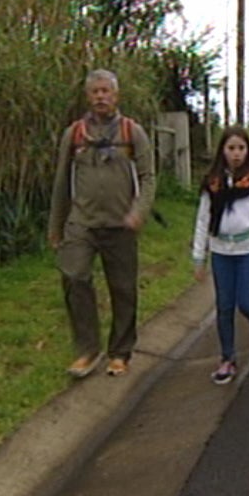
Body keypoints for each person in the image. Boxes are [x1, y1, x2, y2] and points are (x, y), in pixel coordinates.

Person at [48, 69, 157, 378]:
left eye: (105, 91)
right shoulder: (75, 134)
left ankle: (120, 352)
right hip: (81, 222)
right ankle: (87, 349)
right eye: (95, 91)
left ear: (116, 96)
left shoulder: (131, 132)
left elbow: (149, 177)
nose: (100, 97)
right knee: (74, 277)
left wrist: (139, 211)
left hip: (121, 224)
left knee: (123, 289)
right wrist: (56, 226)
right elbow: (60, 182)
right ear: (87, 96)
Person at [192, 126, 249, 385]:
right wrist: (199, 256)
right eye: (231, 148)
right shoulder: (213, 182)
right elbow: (203, 219)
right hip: (221, 250)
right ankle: (227, 358)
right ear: (223, 150)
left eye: (241, 148)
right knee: (224, 306)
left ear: (248, 150)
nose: (236, 154)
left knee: (247, 302)